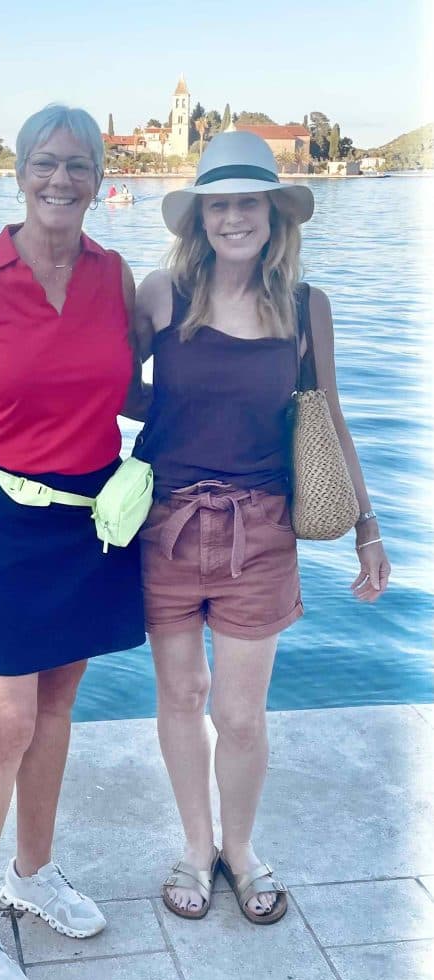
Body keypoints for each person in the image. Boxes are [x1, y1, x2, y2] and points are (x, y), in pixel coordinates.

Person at [133, 131, 391, 923]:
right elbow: (106, 388)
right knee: (182, 696)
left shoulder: (308, 306)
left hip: (263, 531)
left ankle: (240, 851)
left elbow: (330, 418)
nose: (235, 217)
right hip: (167, 526)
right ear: (199, 217)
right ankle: (194, 844)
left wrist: (368, 528)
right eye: (220, 204)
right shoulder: (160, 294)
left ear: (275, 214)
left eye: (249, 202)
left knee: (241, 714)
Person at [0, 103, 146, 980]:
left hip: (90, 525)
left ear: (100, 179)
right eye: (46, 164)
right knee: (7, 722)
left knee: (57, 710)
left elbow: (144, 385)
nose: (62, 180)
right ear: (18, 172)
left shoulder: (115, 273)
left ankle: (33, 871)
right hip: (0, 529)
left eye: (80, 166)